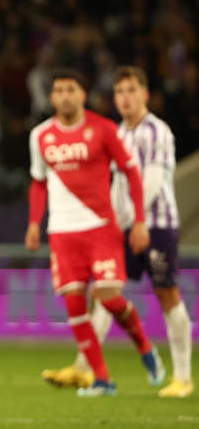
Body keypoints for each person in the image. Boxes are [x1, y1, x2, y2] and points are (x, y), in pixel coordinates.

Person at [43, 67, 191, 398]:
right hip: (120, 226)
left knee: (168, 295)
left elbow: (151, 183)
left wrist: (126, 220)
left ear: (145, 94)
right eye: (120, 92)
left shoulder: (157, 132)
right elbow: (112, 185)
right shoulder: (116, 132)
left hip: (155, 226)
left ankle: (183, 377)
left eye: (132, 90)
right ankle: (84, 368)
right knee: (102, 294)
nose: (125, 98)